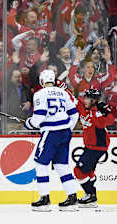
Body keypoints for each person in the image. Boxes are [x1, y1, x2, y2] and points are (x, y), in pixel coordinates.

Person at [23, 69, 80, 211]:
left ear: (42, 82)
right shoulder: (64, 93)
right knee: (62, 165)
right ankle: (72, 198)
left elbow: (39, 116)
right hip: (65, 132)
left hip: (51, 133)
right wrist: (67, 128)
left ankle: (44, 199)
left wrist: (28, 124)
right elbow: (74, 113)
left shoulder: (39, 93)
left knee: (40, 163)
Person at [74, 88, 113, 208]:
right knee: (89, 172)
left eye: (88, 98)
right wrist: (58, 85)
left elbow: (107, 121)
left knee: (78, 171)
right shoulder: (83, 108)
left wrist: (100, 111)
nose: (85, 100)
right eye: (84, 97)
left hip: (97, 146)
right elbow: (72, 99)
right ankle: (90, 195)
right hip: (89, 146)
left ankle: (91, 195)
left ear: (94, 100)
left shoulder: (99, 110)